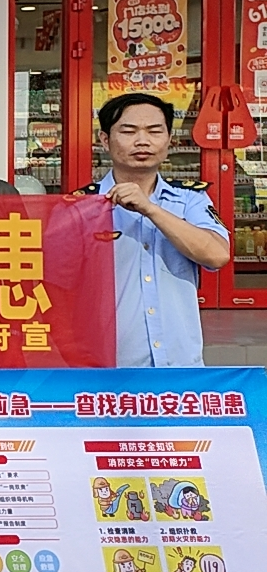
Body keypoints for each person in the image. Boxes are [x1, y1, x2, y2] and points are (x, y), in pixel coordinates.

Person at [82, 92, 230, 367]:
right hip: (106, 368)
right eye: (128, 131)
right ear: (104, 140)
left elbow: (217, 255)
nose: (142, 141)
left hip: (179, 365)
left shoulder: (191, 199)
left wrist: (150, 209)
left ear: (169, 139)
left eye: (154, 131)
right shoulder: (81, 206)